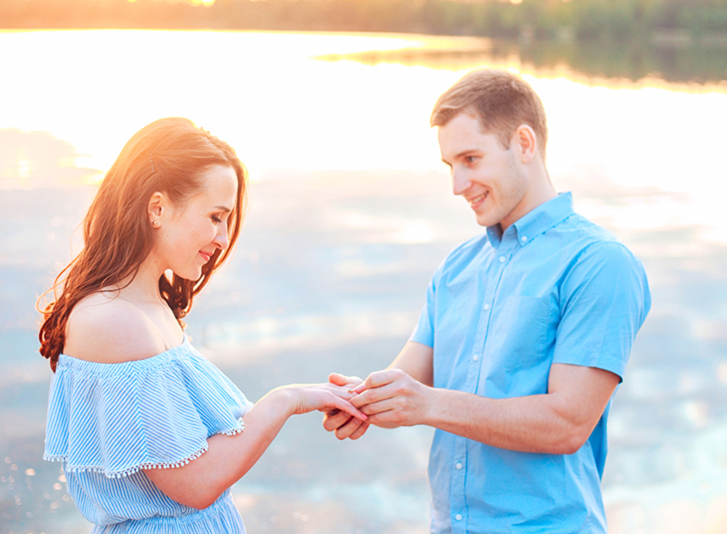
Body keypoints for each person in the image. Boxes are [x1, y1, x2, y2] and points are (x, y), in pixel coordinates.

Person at [323, 69, 651, 533]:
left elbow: (567, 423)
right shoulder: (457, 268)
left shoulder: (599, 263)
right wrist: (358, 398)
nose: (458, 184)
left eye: (471, 159)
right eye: (450, 165)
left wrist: (427, 405)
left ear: (523, 143)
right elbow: (409, 380)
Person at [38, 117, 366, 534]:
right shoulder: (114, 320)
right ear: (157, 208)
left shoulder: (148, 305)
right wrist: (288, 398)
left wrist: (329, 394)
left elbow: (205, 445)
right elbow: (195, 483)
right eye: (215, 216)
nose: (224, 238)